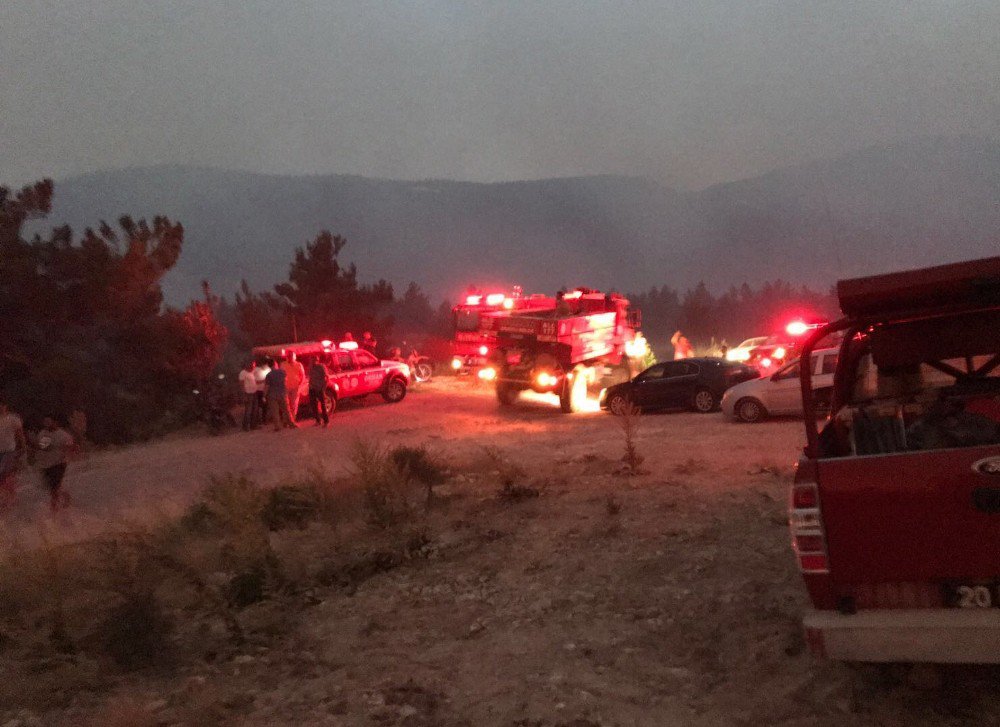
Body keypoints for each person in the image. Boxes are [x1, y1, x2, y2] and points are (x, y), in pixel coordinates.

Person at [33, 416, 75, 512]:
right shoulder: (43, 433)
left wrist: (68, 453)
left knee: (54, 489)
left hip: (59, 463)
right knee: (51, 487)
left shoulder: (64, 435)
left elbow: (71, 448)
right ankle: (65, 495)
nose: (47, 424)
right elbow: (42, 447)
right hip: (46, 464)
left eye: (49, 422)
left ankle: (54, 509)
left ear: (56, 422)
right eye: (45, 422)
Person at [0, 399, 26, 513]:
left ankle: (10, 496)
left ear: (5, 406)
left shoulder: (12, 419)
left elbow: (20, 434)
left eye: (2, 406)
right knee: (1, 477)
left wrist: (23, 446)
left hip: (9, 450)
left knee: (5, 473)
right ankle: (7, 495)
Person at [265, 358, 296, 431]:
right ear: (275, 364)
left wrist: (264, 395)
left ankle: (277, 427)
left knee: (275, 412)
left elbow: (267, 386)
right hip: (282, 393)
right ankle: (291, 424)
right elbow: (285, 381)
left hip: (272, 395)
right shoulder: (282, 372)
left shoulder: (268, 375)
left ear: (269, 366)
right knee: (286, 410)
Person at [281, 352, 306, 421]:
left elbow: (303, 376)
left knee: (294, 404)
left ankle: (292, 420)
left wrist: (300, 385)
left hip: (295, 387)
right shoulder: (283, 365)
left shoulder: (299, 365)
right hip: (285, 387)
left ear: (295, 357)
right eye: (289, 356)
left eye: (292, 356)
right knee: (286, 405)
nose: (290, 358)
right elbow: (280, 375)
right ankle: (286, 420)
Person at [307, 358, 331, 427]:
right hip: (312, 388)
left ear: (317, 361)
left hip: (319, 388)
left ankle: (326, 421)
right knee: (313, 405)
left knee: (323, 405)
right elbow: (310, 377)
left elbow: (327, 378)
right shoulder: (311, 367)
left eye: (313, 361)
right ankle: (318, 420)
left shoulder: (321, 367)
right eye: (311, 361)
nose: (312, 362)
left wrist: (323, 388)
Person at [238, 361, 259, 431]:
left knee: (255, 409)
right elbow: (241, 385)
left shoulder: (252, 373)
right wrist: (244, 395)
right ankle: (246, 426)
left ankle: (253, 425)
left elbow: (255, 382)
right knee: (248, 410)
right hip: (248, 393)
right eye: (253, 365)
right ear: (248, 365)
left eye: (254, 365)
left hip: (254, 392)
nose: (254, 367)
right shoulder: (243, 373)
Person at [253, 357, 271, 427]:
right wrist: (262, 381)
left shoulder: (269, 370)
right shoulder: (256, 370)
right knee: (257, 406)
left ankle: (264, 419)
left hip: (265, 391)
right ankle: (257, 420)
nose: (265, 366)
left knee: (265, 406)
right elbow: (252, 380)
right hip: (258, 391)